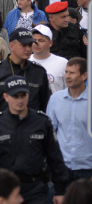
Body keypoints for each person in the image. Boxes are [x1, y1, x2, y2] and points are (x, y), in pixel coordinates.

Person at [0, 76, 67, 204]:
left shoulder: (42, 122)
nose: (20, 100)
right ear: (6, 97)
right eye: (15, 96)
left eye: (23, 95)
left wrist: (60, 191)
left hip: (35, 188)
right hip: (5, 189)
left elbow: (55, 158)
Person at [0, 28, 51, 125]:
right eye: (23, 45)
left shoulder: (39, 72)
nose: (28, 49)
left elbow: (46, 106)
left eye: (30, 45)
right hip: (2, 131)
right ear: (11, 46)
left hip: (31, 130)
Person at [46, 57, 92, 188]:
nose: (67, 76)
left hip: (87, 169)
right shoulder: (55, 99)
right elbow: (50, 133)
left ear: (84, 76)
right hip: (62, 167)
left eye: (72, 73)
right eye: (66, 72)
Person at [29, 24, 68, 93]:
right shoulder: (24, 62)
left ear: (50, 43)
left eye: (41, 41)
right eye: (34, 40)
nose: (36, 43)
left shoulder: (63, 63)